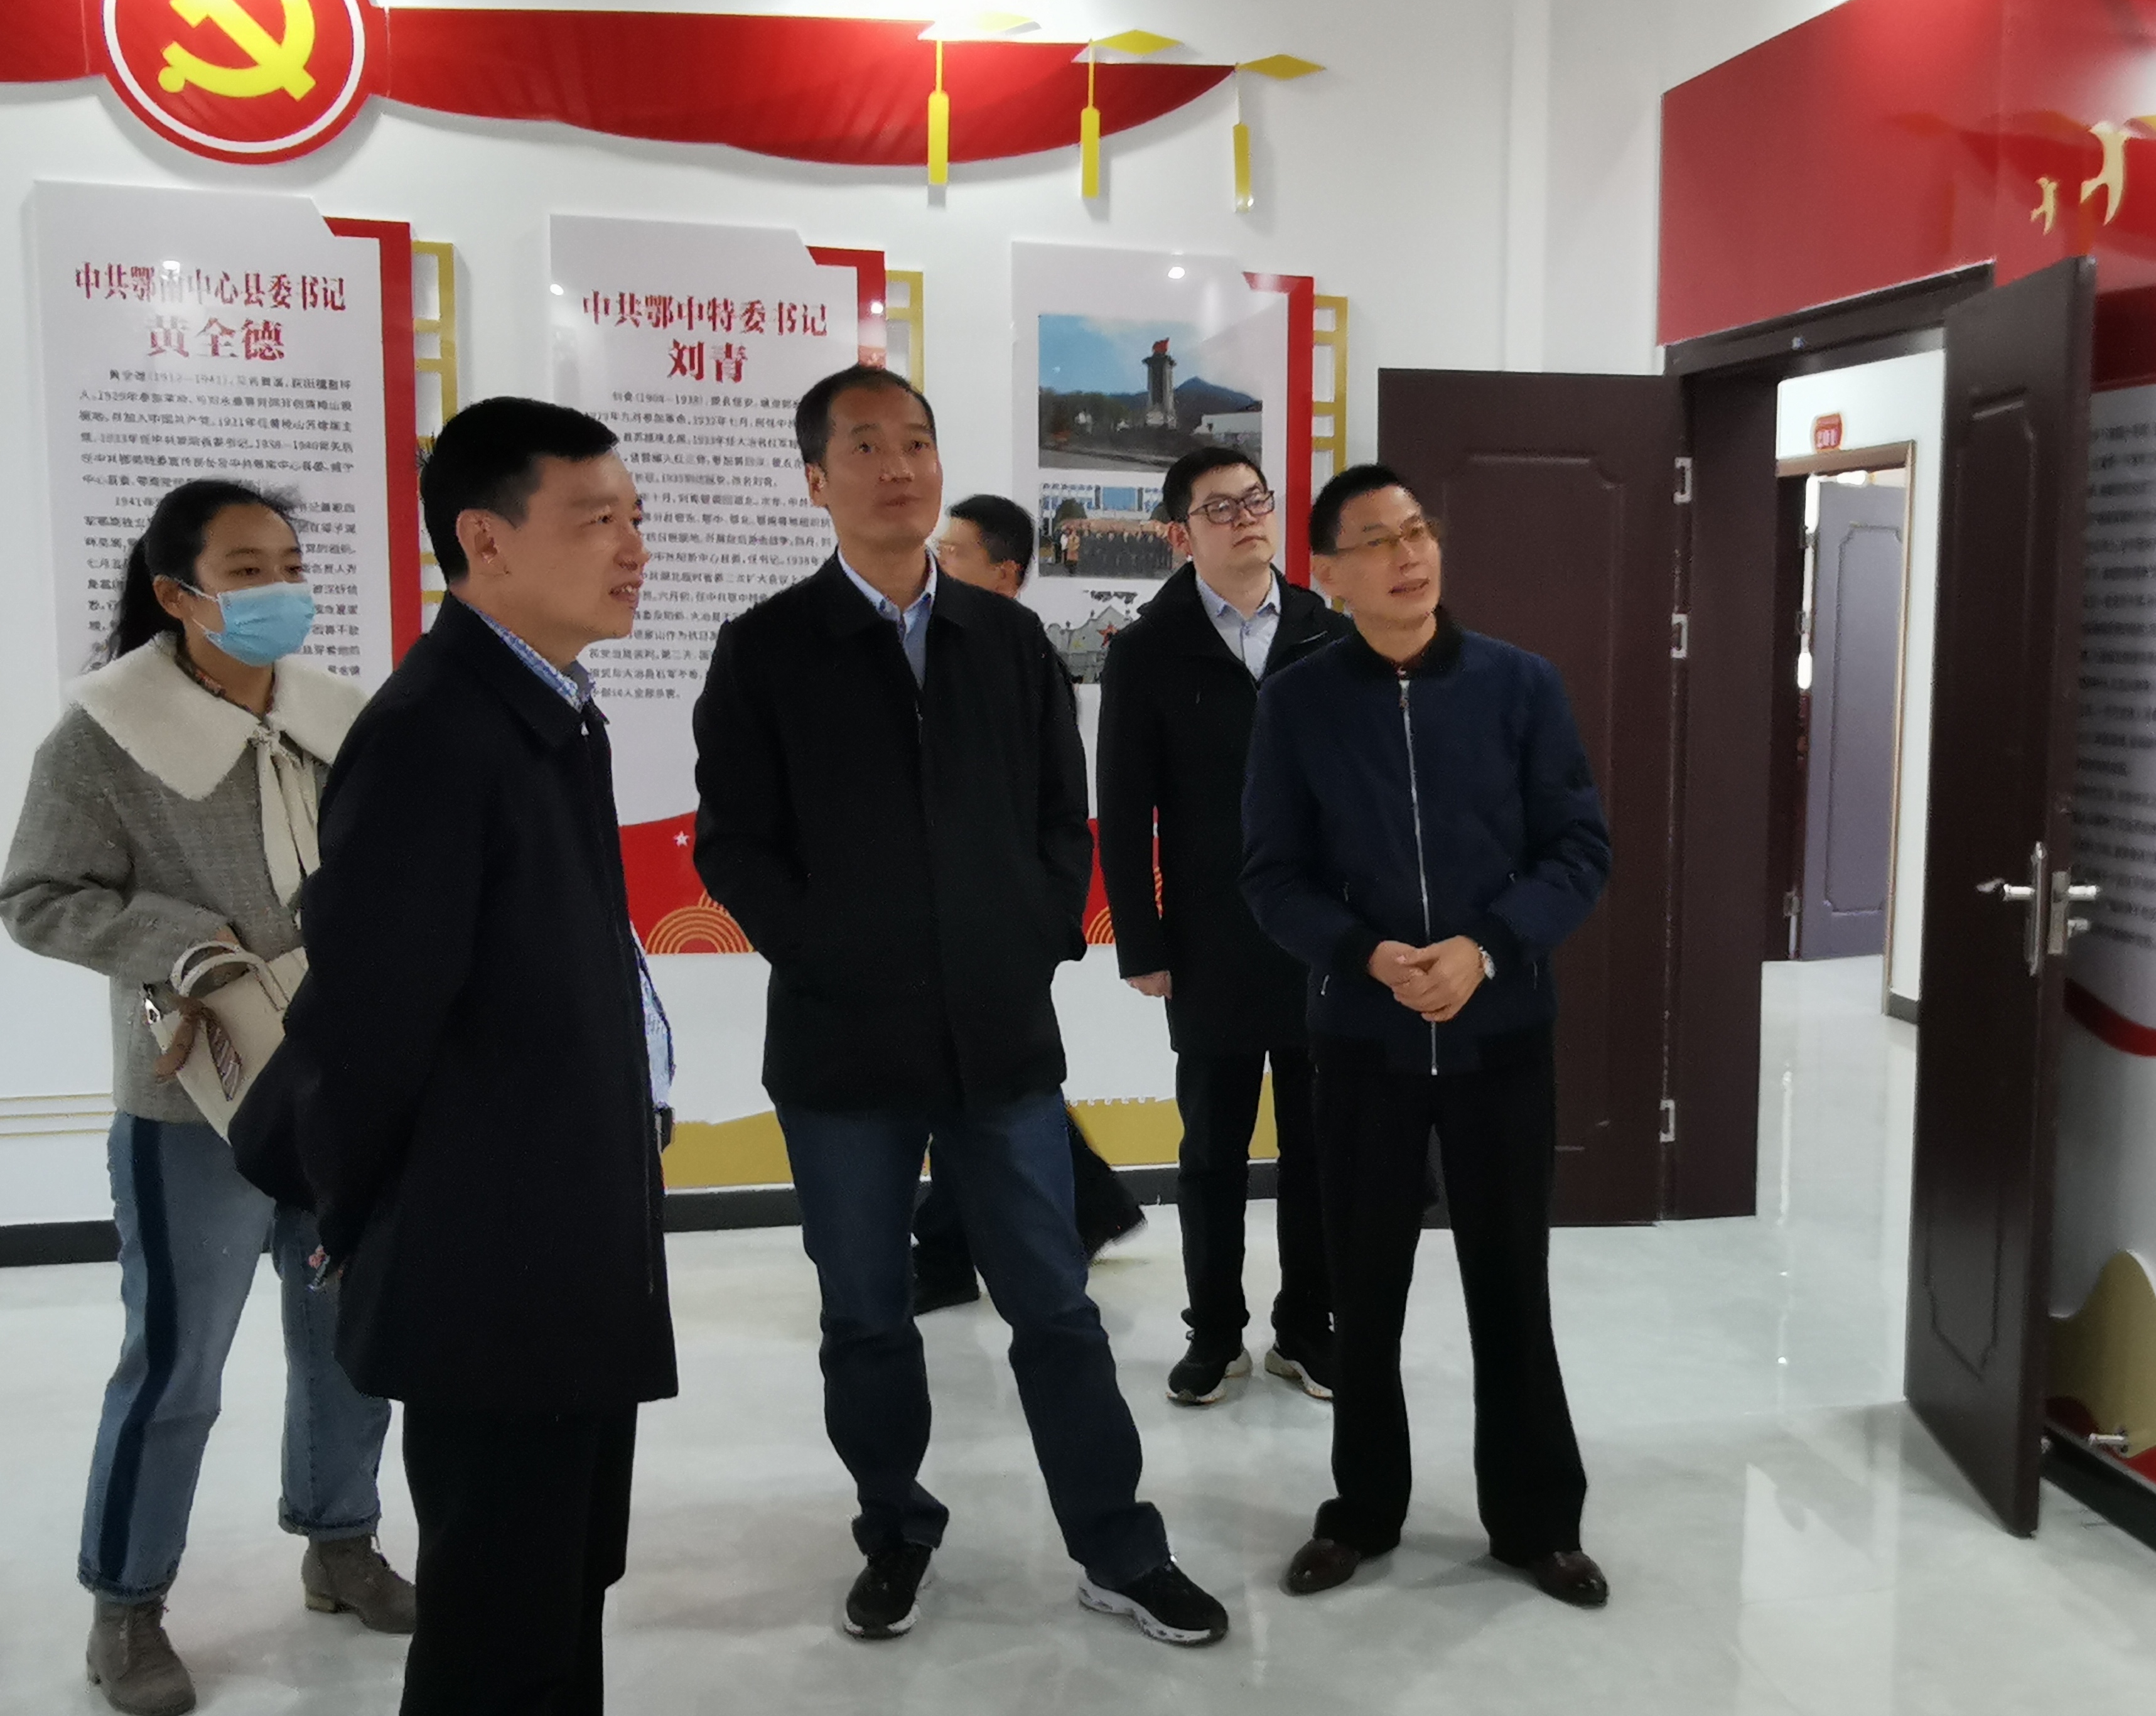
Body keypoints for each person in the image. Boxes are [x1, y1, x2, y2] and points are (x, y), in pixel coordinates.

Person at [252, 397, 710, 1716]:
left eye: (634, 513)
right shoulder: (439, 732)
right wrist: (355, 1211)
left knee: (569, 1559)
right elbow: (366, 1023)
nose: (633, 546)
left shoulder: (549, 706)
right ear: (485, 541)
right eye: (597, 518)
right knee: (494, 1601)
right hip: (490, 1246)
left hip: (571, 1219)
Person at [692, 365, 1226, 1649]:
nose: (900, 468)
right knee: (867, 1313)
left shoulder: (1007, 640)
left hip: (999, 1041)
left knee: (1056, 1306)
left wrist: (1029, 936)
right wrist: (826, 950)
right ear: (817, 480)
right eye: (866, 447)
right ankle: (895, 1530)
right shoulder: (766, 649)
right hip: (841, 1048)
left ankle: (1118, 1545)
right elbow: (735, 846)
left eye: (918, 443)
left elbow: (1060, 819)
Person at [0, 480, 411, 1716]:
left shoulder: (343, 718)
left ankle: (340, 1543)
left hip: (346, 1080)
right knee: (178, 1362)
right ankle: (126, 1606)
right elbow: (39, 895)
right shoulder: (104, 737)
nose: (280, 589)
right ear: (177, 594)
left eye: (289, 563)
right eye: (245, 570)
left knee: (350, 1338)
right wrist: (182, 944)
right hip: (198, 1093)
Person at [1241, 466, 1614, 1610]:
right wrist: (1365, 955)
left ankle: (1537, 1520)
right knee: (1366, 1291)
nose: (1409, 556)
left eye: (1417, 532)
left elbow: (1579, 850)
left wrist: (1486, 947)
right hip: (1364, 1045)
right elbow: (1272, 875)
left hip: (1503, 1038)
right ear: (1329, 575)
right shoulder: (1298, 703)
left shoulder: (1520, 685)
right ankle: (1363, 1510)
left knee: (1512, 1284)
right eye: (1378, 541)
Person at [1096, 446, 1343, 1408]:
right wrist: (1143, 941)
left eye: (1256, 501)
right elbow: (1125, 810)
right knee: (1212, 1151)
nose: (1246, 519)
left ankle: (1307, 1330)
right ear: (1180, 533)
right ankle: (1216, 1334)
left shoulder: (1326, 632)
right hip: (1209, 936)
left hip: (1322, 933)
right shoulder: (1149, 649)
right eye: (1220, 508)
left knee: (1319, 1146)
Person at [909, 490, 1146, 1309]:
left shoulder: (1024, 661)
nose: (935, 564)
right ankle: (1074, 1212)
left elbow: (1060, 808)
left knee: (983, 1088)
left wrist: (1045, 922)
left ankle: (970, 1249)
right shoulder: (930, 649)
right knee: (965, 1087)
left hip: (999, 928)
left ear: (1006, 574)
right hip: (939, 924)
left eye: (954, 552)